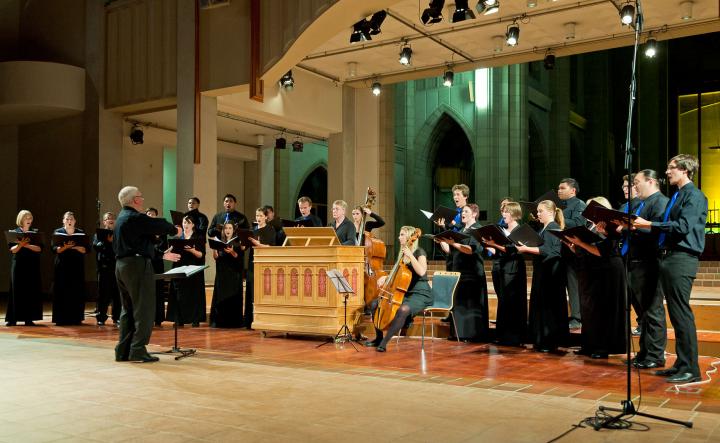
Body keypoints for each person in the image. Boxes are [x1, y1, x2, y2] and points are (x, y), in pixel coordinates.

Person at [634, 154, 707, 384]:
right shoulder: (678, 195)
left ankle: (691, 369)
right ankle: (681, 364)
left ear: (685, 170)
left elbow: (683, 226)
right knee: (675, 315)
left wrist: (650, 224)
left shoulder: (695, 196)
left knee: (681, 314)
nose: (667, 172)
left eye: (671, 168)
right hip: (670, 257)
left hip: (682, 258)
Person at [113, 186, 180, 363]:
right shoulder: (133, 217)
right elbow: (158, 224)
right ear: (135, 200)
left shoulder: (121, 218)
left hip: (122, 266)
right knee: (144, 309)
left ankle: (123, 350)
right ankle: (137, 350)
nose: (143, 200)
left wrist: (160, 254)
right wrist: (175, 230)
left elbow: (139, 244)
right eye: (141, 197)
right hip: (136, 266)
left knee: (128, 309)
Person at [566, 197, 625, 359]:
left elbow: (602, 251)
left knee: (601, 309)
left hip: (605, 271)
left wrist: (581, 243)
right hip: (590, 271)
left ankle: (602, 346)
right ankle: (589, 344)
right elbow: (586, 250)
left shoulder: (607, 226)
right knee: (589, 309)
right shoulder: (589, 225)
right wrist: (573, 246)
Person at [364, 226, 433, 352]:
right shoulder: (402, 253)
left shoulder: (419, 252)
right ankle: (378, 338)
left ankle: (384, 342)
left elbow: (422, 272)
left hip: (420, 293)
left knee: (403, 309)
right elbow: (398, 273)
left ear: (409, 237)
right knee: (374, 304)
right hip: (404, 291)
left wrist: (411, 256)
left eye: (401, 234)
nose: (399, 237)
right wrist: (386, 278)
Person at [628, 169, 669, 369]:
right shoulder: (642, 204)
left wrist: (634, 227)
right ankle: (645, 352)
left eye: (637, 182)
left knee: (653, 311)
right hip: (636, 263)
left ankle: (655, 354)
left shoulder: (660, 201)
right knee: (643, 313)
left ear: (651, 181)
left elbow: (659, 231)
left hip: (649, 262)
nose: (634, 186)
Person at [516, 200, 568, 353]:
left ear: (551, 213)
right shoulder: (543, 229)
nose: (537, 214)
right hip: (543, 272)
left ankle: (548, 341)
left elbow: (550, 251)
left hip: (550, 274)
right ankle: (541, 340)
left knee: (548, 308)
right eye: (537, 211)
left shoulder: (553, 227)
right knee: (541, 306)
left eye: (541, 211)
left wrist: (527, 248)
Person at [439, 204, 488, 341]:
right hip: (459, 272)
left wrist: (453, 243)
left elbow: (471, 249)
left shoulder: (477, 229)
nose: (462, 214)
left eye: (466, 211)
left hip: (472, 273)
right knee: (460, 304)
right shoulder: (460, 230)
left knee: (471, 304)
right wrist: (442, 237)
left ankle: (471, 334)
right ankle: (459, 333)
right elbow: (450, 251)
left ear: (474, 214)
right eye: (462, 212)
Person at [483, 202, 527, 346]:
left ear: (514, 214)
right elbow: (501, 251)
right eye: (503, 212)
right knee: (503, 300)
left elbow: (513, 251)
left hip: (514, 269)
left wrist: (494, 244)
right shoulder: (503, 230)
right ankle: (502, 334)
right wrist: (488, 244)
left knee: (512, 301)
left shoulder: (520, 230)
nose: (503, 214)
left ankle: (514, 336)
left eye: (507, 212)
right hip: (501, 267)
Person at [167, 216, 207, 327]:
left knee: (194, 294)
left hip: (194, 269)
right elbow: (171, 252)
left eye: (188, 222)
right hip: (180, 267)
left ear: (193, 225)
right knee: (179, 294)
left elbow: (201, 255)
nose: (186, 224)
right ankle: (179, 319)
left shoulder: (198, 238)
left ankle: (195, 319)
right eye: (184, 222)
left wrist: (193, 250)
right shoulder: (178, 238)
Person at [6, 210, 43, 326]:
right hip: (18, 265)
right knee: (16, 290)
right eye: (27, 218)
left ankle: (29, 318)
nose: (29, 220)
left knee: (30, 290)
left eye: (30, 218)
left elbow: (39, 249)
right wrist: (21, 245)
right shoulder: (14, 232)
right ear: (21, 219)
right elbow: (13, 250)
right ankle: (13, 318)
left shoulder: (35, 232)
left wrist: (25, 245)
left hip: (31, 265)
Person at [557, 178, 586, 330]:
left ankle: (577, 317)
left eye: (562, 188)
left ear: (573, 190)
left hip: (573, 252)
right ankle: (565, 316)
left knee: (573, 286)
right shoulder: (559, 205)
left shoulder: (579, 204)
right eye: (558, 188)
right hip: (560, 252)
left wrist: (559, 219)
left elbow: (578, 223)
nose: (559, 190)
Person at [51, 211, 87, 326]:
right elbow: (55, 249)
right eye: (67, 219)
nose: (69, 221)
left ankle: (76, 318)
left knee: (76, 290)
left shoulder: (80, 233)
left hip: (76, 266)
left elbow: (85, 249)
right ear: (63, 221)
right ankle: (60, 318)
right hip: (62, 266)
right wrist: (66, 247)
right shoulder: (58, 232)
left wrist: (72, 247)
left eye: (71, 219)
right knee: (61, 290)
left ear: (75, 221)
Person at [246, 207, 277, 329]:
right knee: (251, 289)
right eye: (257, 216)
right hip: (252, 262)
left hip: (265, 264)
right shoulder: (253, 230)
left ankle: (263, 320)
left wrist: (258, 245)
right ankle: (250, 320)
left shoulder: (270, 230)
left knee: (263, 290)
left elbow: (272, 247)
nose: (258, 218)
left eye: (260, 216)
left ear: (266, 217)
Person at [209, 222, 244, 328]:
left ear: (233, 230)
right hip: (222, 274)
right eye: (226, 228)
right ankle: (220, 321)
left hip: (233, 274)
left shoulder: (237, 241)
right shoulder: (221, 241)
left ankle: (233, 322)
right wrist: (214, 247)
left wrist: (232, 252)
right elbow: (216, 257)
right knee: (221, 296)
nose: (228, 230)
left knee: (232, 298)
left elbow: (239, 259)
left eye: (230, 228)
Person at [93, 212, 120, 326]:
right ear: (104, 222)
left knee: (117, 294)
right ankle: (101, 317)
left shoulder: (118, 233)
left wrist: (113, 241)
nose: (110, 220)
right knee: (103, 294)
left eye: (112, 218)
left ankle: (117, 317)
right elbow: (96, 246)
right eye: (108, 218)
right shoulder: (99, 234)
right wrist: (107, 242)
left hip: (117, 267)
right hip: (104, 268)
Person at [146, 207, 169, 326]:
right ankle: (147, 317)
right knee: (147, 290)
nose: (151, 215)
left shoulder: (162, 232)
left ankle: (158, 318)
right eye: (149, 214)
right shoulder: (143, 231)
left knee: (158, 290)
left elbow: (164, 247)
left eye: (153, 214)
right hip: (146, 263)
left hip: (158, 263)